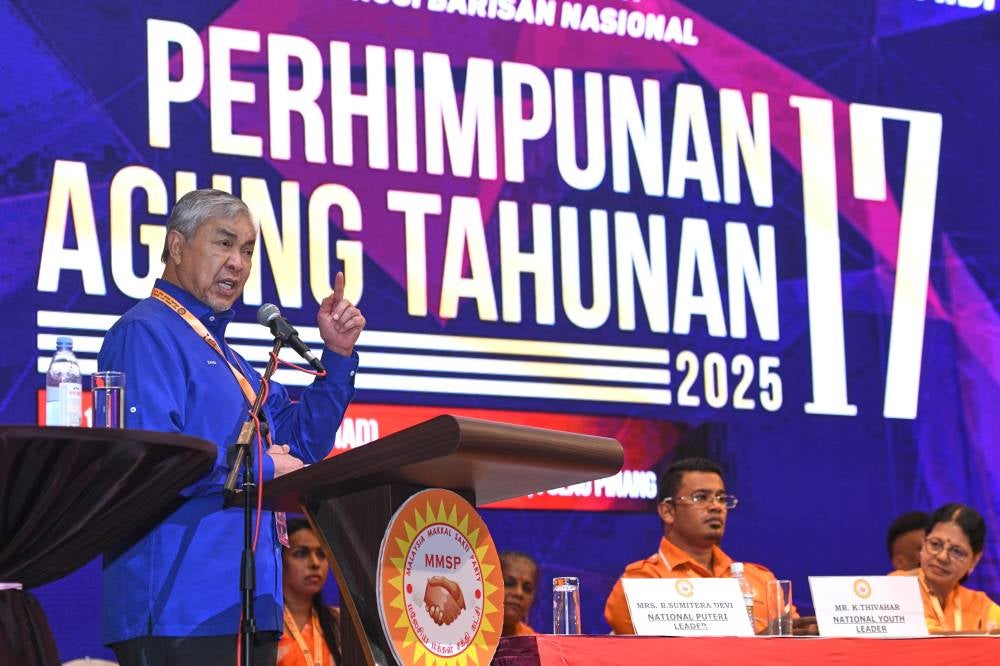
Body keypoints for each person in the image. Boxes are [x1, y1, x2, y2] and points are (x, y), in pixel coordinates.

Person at [98, 189, 365, 665]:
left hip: (251, 606)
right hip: (177, 604)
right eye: (223, 244)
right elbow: (149, 461)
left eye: (246, 250)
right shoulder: (145, 333)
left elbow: (301, 444)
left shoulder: (234, 363)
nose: (238, 264)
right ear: (177, 248)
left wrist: (338, 357)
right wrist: (258, 468)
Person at [603, 457, 795, 635]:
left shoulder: (760, 579)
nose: (716, 506)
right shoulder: (639, 583)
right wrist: (758, 642)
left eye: (721, 498)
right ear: (668, 511)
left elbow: (794, 643)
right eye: (701, 497)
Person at [891, 503, 1000, 633]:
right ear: (923, 542)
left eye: (957, 552)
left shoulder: (979, 606)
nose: (943, 557)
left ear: (974, 560)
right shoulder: (897, 587)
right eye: (935, 544)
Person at [277, 519, 341, 666]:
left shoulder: (340, 622)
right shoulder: (261, 624)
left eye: (321, 554)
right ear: (279, 560)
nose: (315, 563)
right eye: (301, 553)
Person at [500, 551, 539, 636]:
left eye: (527, 589)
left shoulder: (533, 643)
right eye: (509, 583)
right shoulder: (466, 637)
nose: (519, 593)